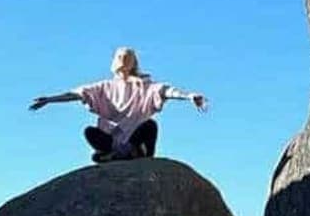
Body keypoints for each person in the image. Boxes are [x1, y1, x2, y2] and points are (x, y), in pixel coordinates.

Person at [29, 47, 208, 162]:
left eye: (127, 57)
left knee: (151, 126)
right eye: (121, 56)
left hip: (134, 140)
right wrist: (50, 99)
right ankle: (116, 154)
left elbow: (166, 91)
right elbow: (77, 94)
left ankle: (136, 155)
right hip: (112, 139)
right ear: (115, 61)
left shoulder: (144, 86)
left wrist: (189, 96)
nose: (124, 60)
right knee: (89, 132)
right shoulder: (104, 87)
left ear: (133, 63)